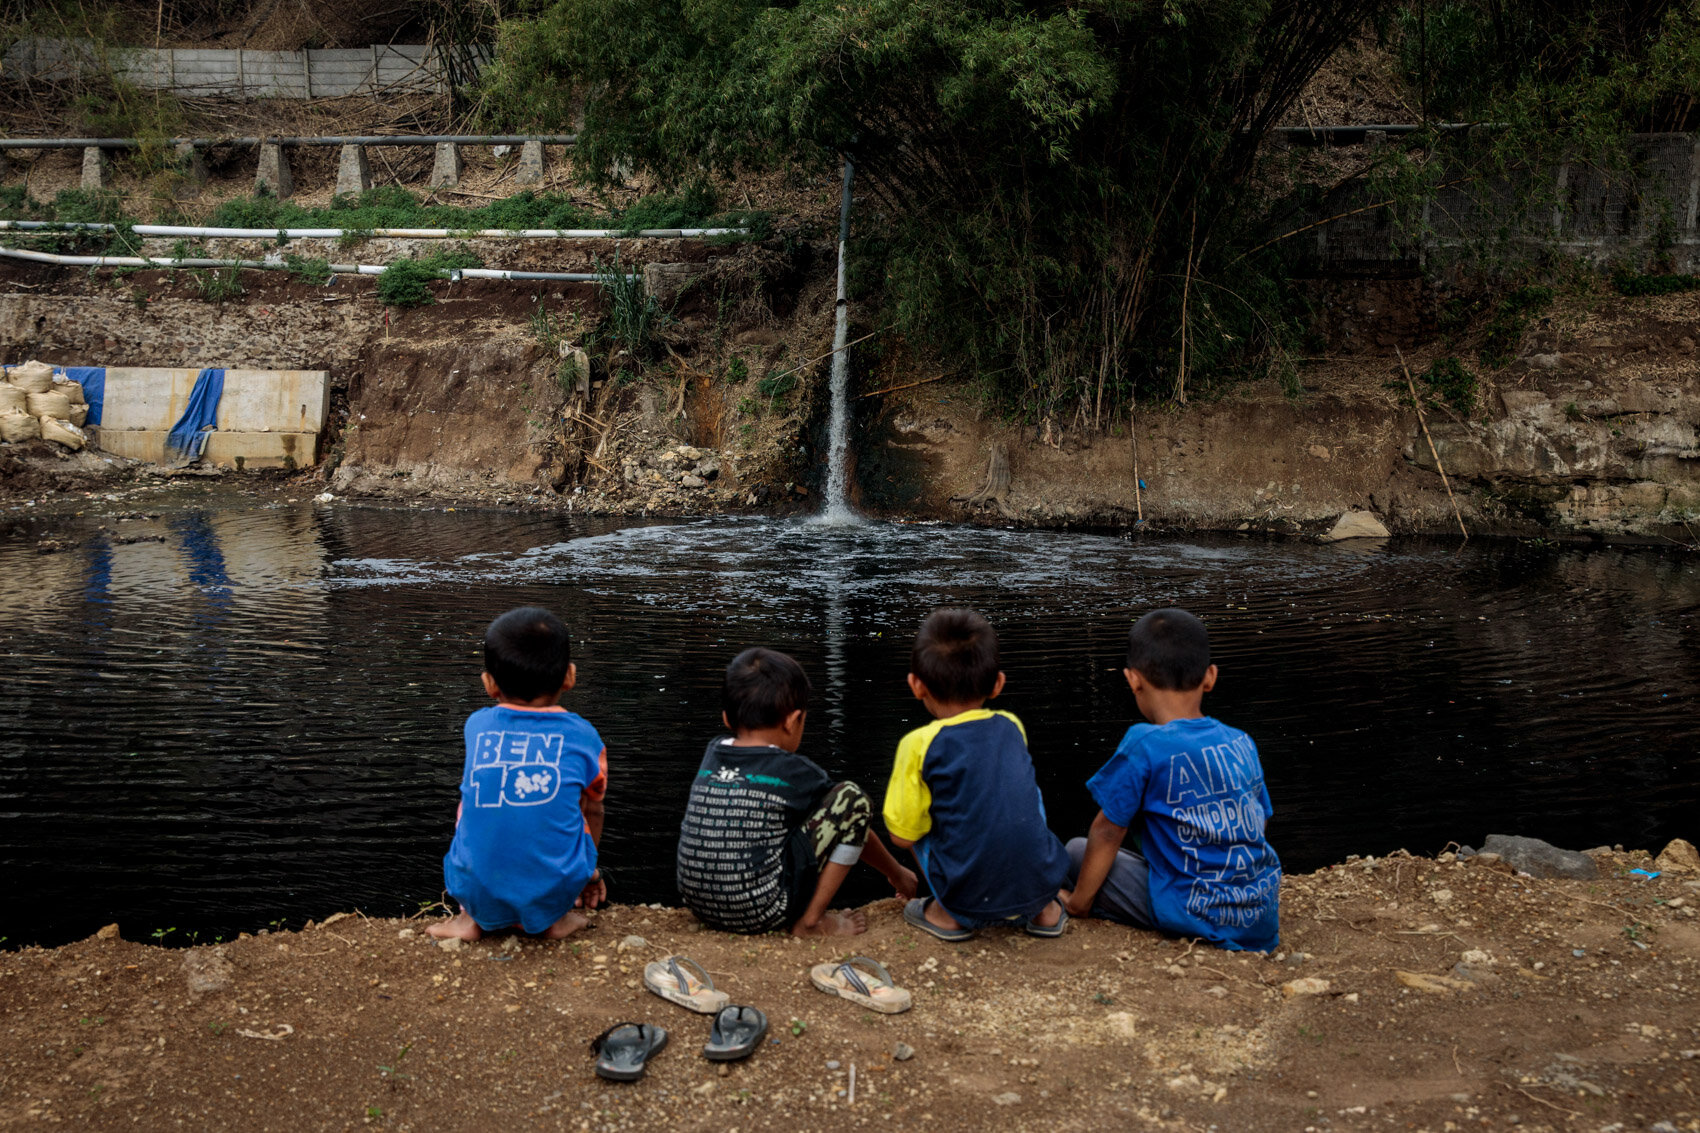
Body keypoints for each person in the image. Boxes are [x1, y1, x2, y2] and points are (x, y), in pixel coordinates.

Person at [1060, 607, 1281, 951]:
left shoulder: (1144, 743)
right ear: (1210, 677)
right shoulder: (1241, 741)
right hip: (1258, 915)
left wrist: (1077, 904)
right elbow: (1260, 821)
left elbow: (1107, 830)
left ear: (1133, 679)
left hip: (1193, 911)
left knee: (1076, 851)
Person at [676, 647, 917, 937]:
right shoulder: (794, 771)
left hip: (700, 905)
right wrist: (897, 874)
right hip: (760, 911)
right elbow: (849, 817)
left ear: (727, 719)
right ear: (793, 721)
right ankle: (811, 922)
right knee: (853, 799)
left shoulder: (712, 754)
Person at [883, 608, 1070, 941]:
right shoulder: (1011, 726)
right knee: (1021, 796)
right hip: (1041, 886)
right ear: (998, 684)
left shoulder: (918, 744)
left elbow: (902, 837)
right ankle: (1046, 910)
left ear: (916, 685)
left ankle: (948, 915)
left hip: (968, 900)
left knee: (916, 820)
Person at [428, 607, 607, 942]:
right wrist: (590, 873)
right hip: (553, 889)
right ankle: (555, 918)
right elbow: (594, 810)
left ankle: (470, 918)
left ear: (489, 684)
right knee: (579, 810)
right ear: (569, 676)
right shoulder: (585, 737)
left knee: (473, 809)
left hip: (472, 885)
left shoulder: (477, 726)